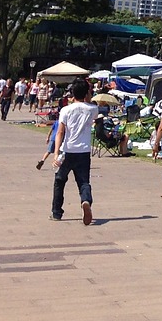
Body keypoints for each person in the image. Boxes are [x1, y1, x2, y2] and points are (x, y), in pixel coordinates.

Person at [52, 79, 98, 225]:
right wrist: (88, 97)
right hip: (83, 151)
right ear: (87, 93)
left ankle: (57, 212)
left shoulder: (65, 109)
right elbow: (94, 114)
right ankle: (85, 201)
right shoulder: (92, 109)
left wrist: (55, 153)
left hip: (67, 150)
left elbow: (60, 132)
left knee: (60, 180)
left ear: (72, 93)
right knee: (84, 182)